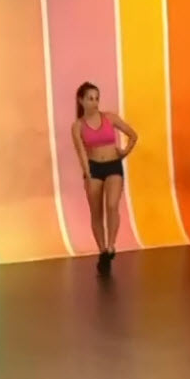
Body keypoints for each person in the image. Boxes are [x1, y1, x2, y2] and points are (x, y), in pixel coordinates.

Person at [71, 82, 138, 275]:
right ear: (81, 100)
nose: (94, 102)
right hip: (94, 168)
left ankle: (111, 245)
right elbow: (81, 153)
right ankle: (103, 251)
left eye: (96, 98)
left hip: (113, 165)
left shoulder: (109, 118)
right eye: (90, 98)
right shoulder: (77, 126)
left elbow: (133, 135)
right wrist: (87, 174)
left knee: (112, 205)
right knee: (96, 212)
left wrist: (124, 152)